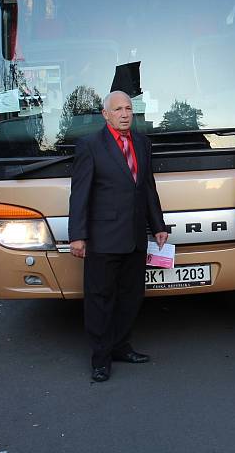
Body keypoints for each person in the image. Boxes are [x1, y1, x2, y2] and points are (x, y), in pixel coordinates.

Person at [68, 90, 169, 383]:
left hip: (136, 236)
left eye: (128, 109)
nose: (125, 114)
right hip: (103, 238)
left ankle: (121, 347)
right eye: (118, 110)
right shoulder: (90, 145)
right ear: (106, 114)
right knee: (100, 299)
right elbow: (80, 195)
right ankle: (100, 359)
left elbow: (147, 188)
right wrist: (78, 235)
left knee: (131, 297)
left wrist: (158, 226)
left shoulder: (142, 143)